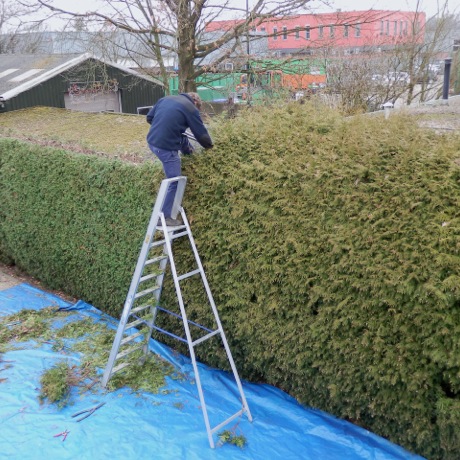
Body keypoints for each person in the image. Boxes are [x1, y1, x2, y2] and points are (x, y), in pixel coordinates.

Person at [146, 92, 213, 226]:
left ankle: (190, 157)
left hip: (152, 141)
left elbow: (149, 118)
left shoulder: (166, 98)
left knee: (182, 137)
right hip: (165, 147)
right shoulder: (191, 108)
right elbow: (200, 134)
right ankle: (164, 217)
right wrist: (210, 147)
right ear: (196, 103)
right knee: (174, 180)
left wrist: (168, 126)